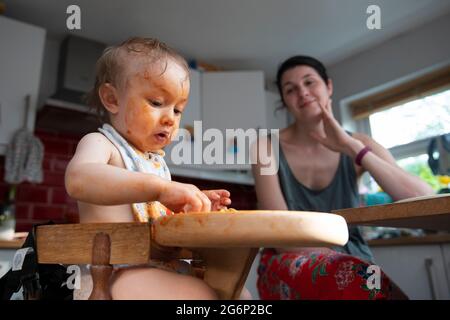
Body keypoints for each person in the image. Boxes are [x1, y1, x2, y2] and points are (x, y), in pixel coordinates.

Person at [251, 55, 435, 300]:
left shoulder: (359, 143)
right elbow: (282, 235)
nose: (303, 93)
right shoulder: (265, 148)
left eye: (309, 82)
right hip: (290, 261)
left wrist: (352, 147)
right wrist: (339, 261)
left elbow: (423, 199)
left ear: (328, 86)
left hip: (354, 261)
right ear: (284, 101)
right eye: (290, 89)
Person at [65, 37, 233, 300]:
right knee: (197, 294)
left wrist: (191, 205)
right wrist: (162, 188)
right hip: (114, 273)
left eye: (178, 110)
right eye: (156, 103)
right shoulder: (101, 143)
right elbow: (78, 179)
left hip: (156, 265)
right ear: (112, 99)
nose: (170, 119)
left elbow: (155, 218)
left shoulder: (155, 163)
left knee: (236, 293)